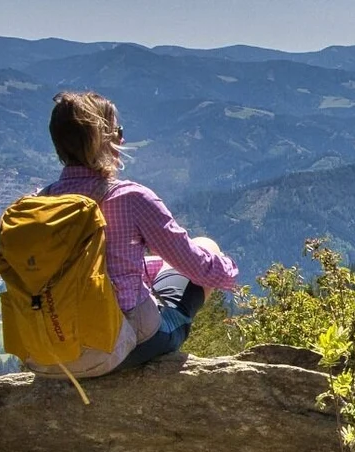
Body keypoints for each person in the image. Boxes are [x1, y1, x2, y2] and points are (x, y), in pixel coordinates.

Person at [31, 91, 238, 377]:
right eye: (118, 131)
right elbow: (199, 267)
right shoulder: (130, 198)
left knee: (155, 270)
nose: (123, 139)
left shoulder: (37, 204)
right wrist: (229, 272)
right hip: (115, 348)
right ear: (104, 139)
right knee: (206, 246)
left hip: (48, 353)